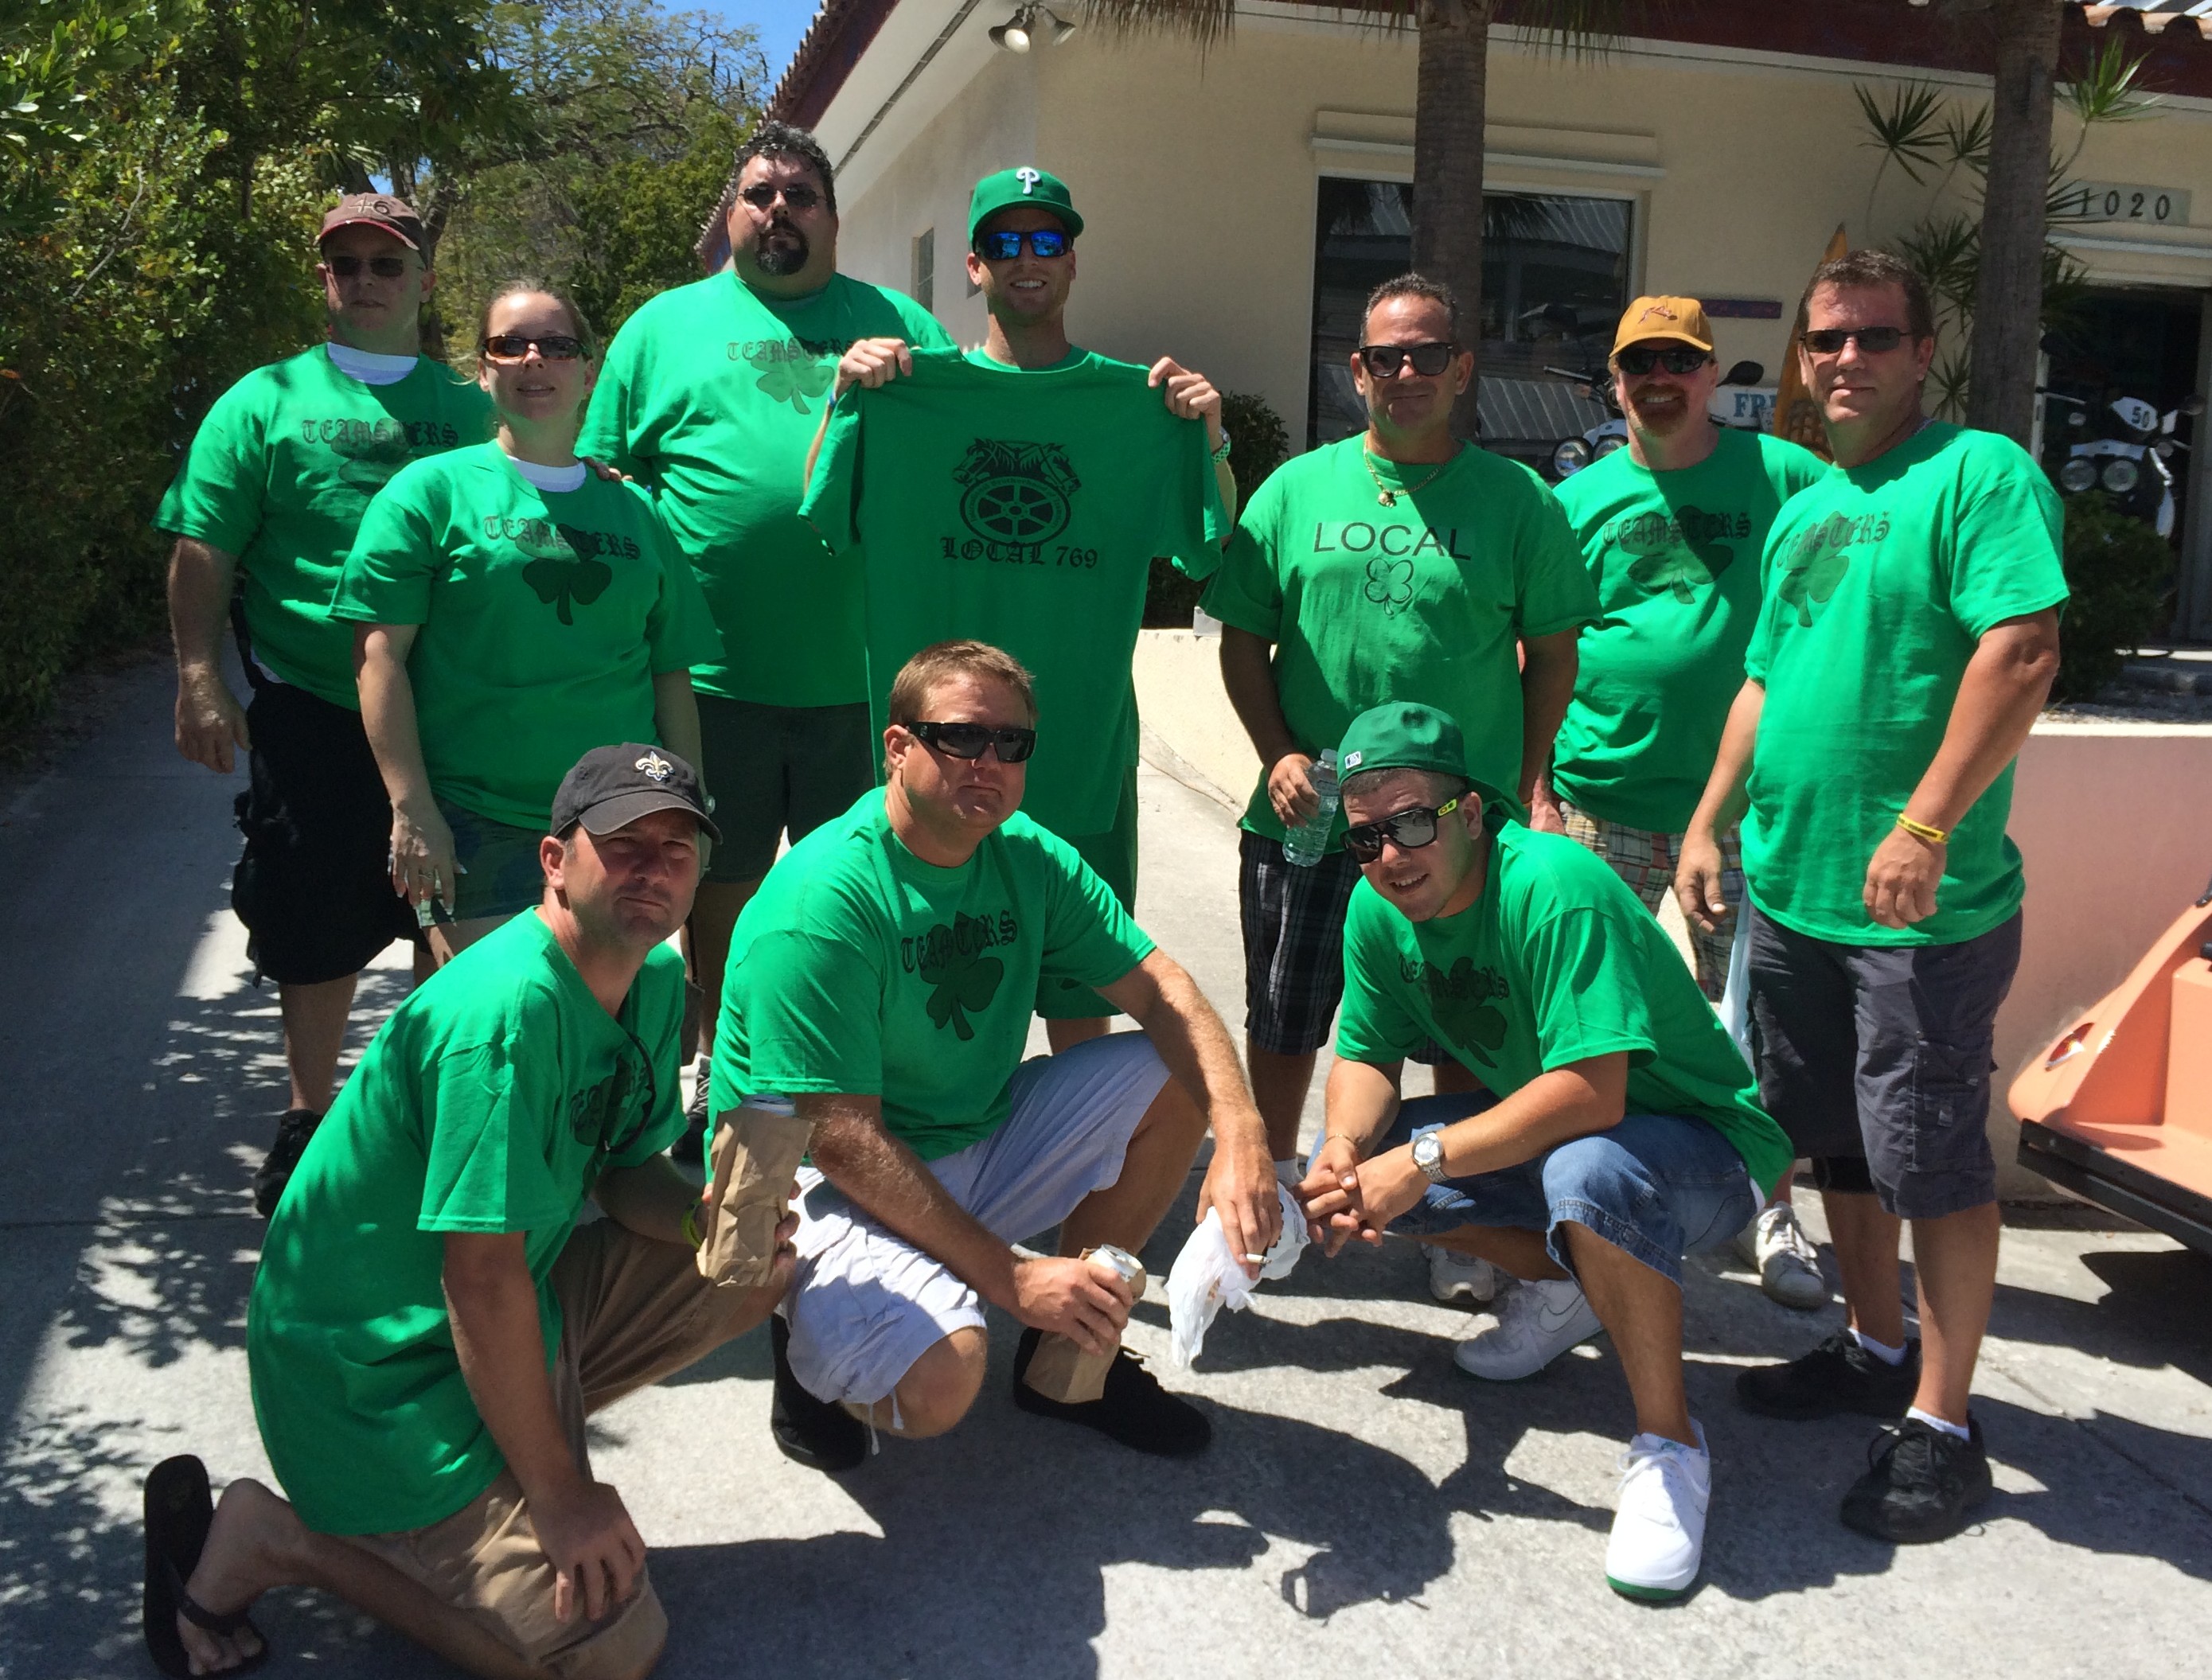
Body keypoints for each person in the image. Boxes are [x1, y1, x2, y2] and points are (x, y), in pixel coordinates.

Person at [139, 746, 790, 1680]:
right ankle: (281, 1537)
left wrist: (704, 1220)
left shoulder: (649, 980)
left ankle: (502, 1454)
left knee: (749, 1265)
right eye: (624, 844)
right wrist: (560, 1496)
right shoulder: (503, 1018)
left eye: (677, 850)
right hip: (367, 1372)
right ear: (554, 860)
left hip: (490, 1301)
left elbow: (620, 1171)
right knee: (609, 1653)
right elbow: (478, 1279)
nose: (653, 868)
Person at [1676, 249, 2066, 1543]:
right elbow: (1761, 681)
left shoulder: (1975, 475)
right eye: (1825, 339)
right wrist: (1706, 821)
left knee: (1932, 1162)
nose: (1845, 358)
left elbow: (2021, 649)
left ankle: (1942, 1424)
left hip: (1917, 911)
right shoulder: (1808, 507)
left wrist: (1922, 824)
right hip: (1792, 893)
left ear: (1921, 353)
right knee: (1836, 1141)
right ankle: (1871, 1344)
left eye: (1874, 337)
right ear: (1800, 357)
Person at [714, 640, 1278, 1473]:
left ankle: (1064, 1362)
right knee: (940, 1382)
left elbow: (1164, 988)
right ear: (897, 746)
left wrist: (1243, 1135)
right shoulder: (823, 898)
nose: (989, 761)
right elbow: (839, 1136)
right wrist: (1012, 1279)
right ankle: (803, 1336)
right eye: (960, 737)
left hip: (968, 1129)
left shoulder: (1027, 855)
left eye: (1011, 743)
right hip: (816, 1183)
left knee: (1178, 1072)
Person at [1295, 703, 1791, 1601]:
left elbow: (1593, 1094)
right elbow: (1365, 1056)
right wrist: (1341, 1149)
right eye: (1366, 837)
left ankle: (1671, 1444)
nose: (1390, 855)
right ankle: (1575, 1287)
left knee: (1579, 1171)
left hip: (1708, 1146)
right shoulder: (1377, 906)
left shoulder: (1554, 884)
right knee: (1360, 1177)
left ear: (1469, 813)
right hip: (1566, 1130)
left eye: (1411, 823)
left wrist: (1421, 1159)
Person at [1200, 272, 1595, 1304]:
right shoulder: (1295, 490)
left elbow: (1553, 655)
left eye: (1426, 353)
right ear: (1356, 371)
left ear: (1462, 369)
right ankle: (1276, 1189)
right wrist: (1274, 751)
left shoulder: (1517, 501)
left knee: (1460, 1026)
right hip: (1309, 814)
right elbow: (1242, 639)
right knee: (1285, 1012)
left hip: (1451, 827)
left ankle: (1460, 1221)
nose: (1405, 371)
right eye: (1385, 356)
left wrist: (1524, 784)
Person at [578, 122, 955, 1143]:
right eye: (759, 193)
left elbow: (962, 461)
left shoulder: (902, 322)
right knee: (717, 886)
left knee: (861, 892)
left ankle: (851, 1080)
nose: (778, 209)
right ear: (731, 214)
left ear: (833, 217)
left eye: (800, 194)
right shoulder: (661, 329)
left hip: (867, 685)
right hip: (708, 683)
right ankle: (721, 1061)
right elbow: (601, 491)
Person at [803, 166, 1235, 1056]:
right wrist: (843, 395)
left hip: (1075, 749)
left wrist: (1210, 437)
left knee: (1084, 990)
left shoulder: (1137, 407)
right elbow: (821, 510)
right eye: (1004, 241)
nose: (1025, 257)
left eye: (1046, 240)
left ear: (1072, 261)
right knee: (926, 987)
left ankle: (1074, 1141)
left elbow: (1206, 541)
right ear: (973, 265)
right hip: (936, 756)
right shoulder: (901, 394)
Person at [153, 192, 494, 1216]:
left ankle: (435, 1114)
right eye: (346, 264)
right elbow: (205, 544)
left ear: (422, 279)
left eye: (386, 264)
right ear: (325, 280)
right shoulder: (263, 401)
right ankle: (308, 1114)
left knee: (451, 910)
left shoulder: (472, 408)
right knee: (311, 918)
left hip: (453, 711)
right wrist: (199, 675)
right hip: (312, 705)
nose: (365, 280)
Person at [1543, 294, 1830, 1312]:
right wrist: (1535, 793)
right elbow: (1539, 648)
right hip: (1597, 798)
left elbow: (1845, 589)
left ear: (1712, 374)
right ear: (1614, 382)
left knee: (1759, 1026)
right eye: (1639, 364)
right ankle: (1564, 1211)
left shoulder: (1788, 476)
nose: (1658, 379)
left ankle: (1768, 1206)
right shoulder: (1576, 500)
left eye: (1679, 361)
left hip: (1746, 810)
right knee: (1583, 1022)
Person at [337, 282, 720, 964]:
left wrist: (687, 804)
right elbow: (378, 660)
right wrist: (412, 808)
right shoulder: (427, 493)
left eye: (557, 345)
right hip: (474, 817)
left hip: (618, 819)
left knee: (602, 1015)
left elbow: (669, 672)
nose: (533, 359)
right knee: (490, 1016)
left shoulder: (637, 512)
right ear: (482, 372)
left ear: (588, 373)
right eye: (508, 345)